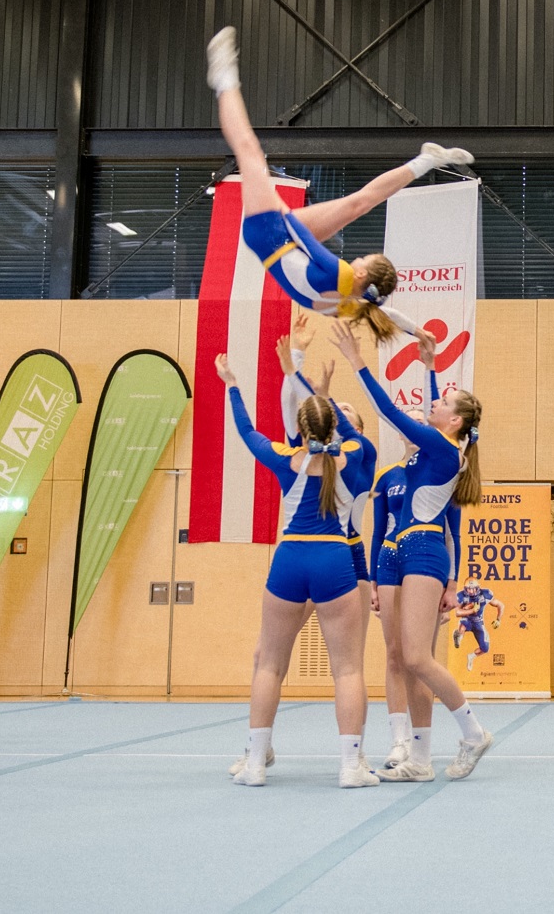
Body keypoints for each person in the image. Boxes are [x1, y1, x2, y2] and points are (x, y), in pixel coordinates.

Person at [205, 26, 469, 340]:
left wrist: (273, 200)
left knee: (249, 151)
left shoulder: (339, 274)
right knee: (360, 203)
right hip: (283, 245)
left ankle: (224, 80)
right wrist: (419, 332)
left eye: (363, 259)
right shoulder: (353, 306)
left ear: (360, 273)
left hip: (269, 233)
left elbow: (298, 231)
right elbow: (385, 311)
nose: (357, 257)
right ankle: (426, 160)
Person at [332, 320, 492, 782]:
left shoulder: (444, 451)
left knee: (418, 657)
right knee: (402, 657)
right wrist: (429, 367)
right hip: (397, 553)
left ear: (455, 421)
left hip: (424, 552)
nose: (432, 407)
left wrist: (357, 360)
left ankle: (472, 732)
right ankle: (419, 759)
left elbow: (387, 408)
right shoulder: (432, 444)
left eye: (441, 405)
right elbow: (429, 407)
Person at [218, 337, 378, 788]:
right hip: (334, 559)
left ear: (302, 428)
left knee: (269, 663)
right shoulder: (359, 457)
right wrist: (315, 388)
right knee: (347, 668)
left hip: (289, 558)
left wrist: (233, 385)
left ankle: (254, 766)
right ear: (338, 423)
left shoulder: (285, 459)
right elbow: (341, 432)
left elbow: (247, 432)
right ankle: (350, 767)